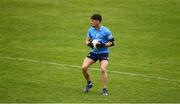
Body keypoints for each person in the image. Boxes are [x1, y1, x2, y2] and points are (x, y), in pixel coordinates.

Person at [82, 14, 115, 96]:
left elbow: (112, 42)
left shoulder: (106, 31)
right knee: (84, 67)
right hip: (94, 53)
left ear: (97, 21)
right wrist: (89, 44)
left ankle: (104, 89)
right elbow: (86, 41)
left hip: (103, 53)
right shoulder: (90, 30)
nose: (91, 22)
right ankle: (89, 83)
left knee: (103, 69)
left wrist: (103, 45)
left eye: (92, 20)